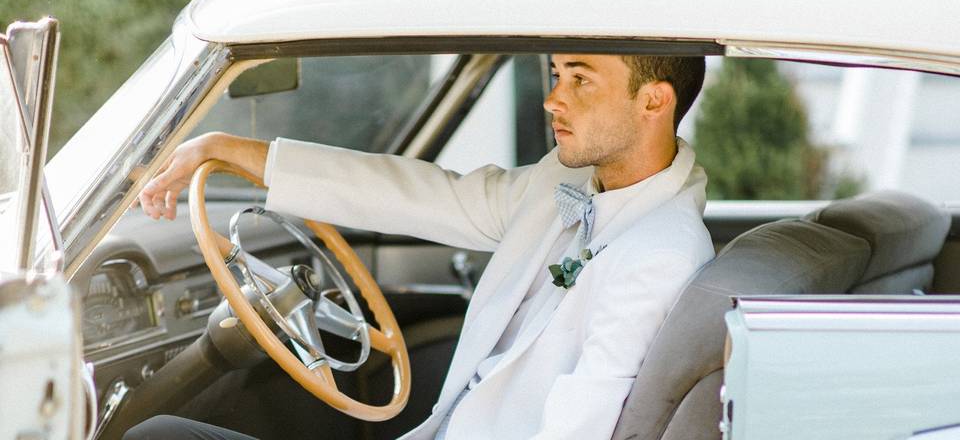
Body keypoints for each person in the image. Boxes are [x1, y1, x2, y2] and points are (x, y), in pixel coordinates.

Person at [127, 53, 712, 440]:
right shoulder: (561, 183)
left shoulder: (662, 256)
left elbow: (578, 427)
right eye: (556, 76)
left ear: (654, 102)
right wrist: (230, 150)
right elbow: (425, 195)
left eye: (580, 80)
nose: (553, 100)